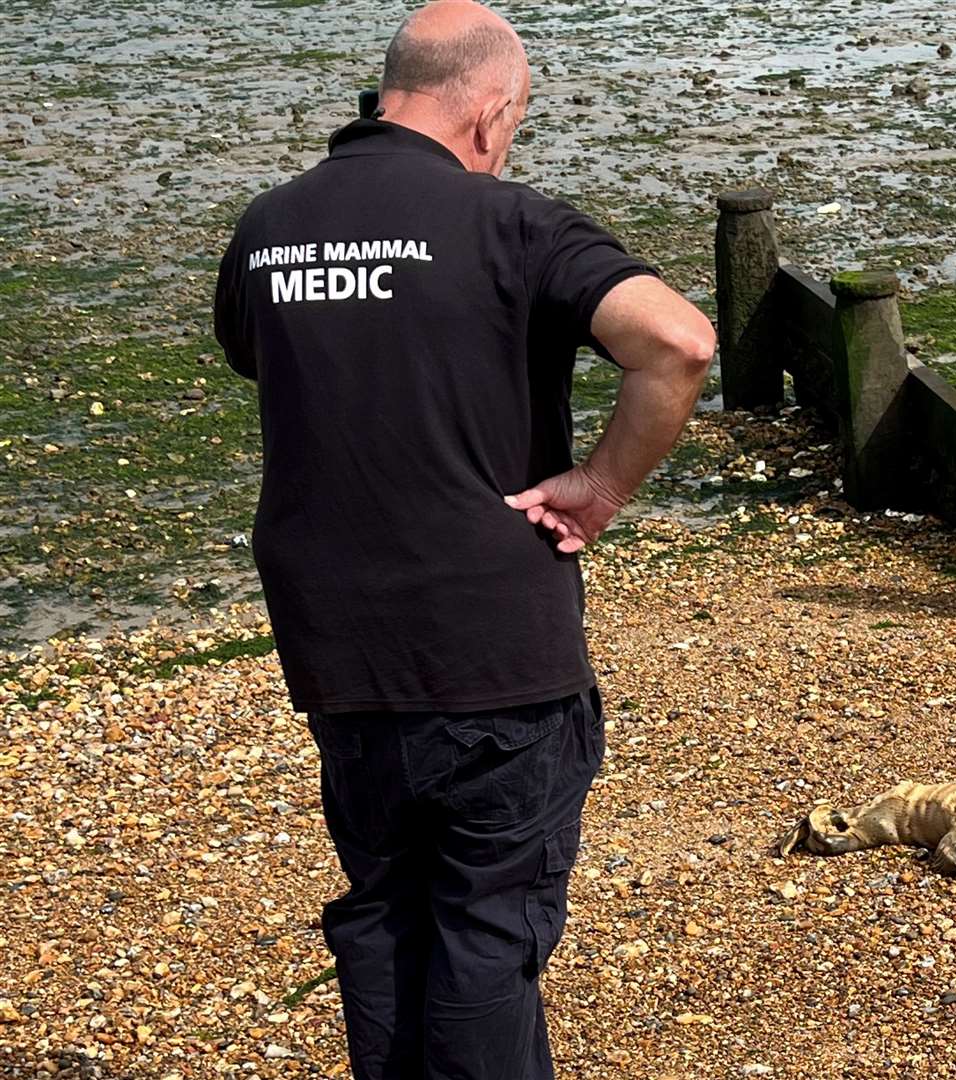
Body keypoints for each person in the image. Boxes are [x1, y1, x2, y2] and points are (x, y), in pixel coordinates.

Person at [211, 2, 715, 1076]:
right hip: (494, 656)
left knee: (388, 918)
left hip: (341, 655)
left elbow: (286, 367)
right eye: (516, 122)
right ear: (490, 114)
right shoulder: (513, 223)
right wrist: (601, 487)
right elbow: (676, 343)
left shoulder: (268, 227)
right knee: (485, 936)